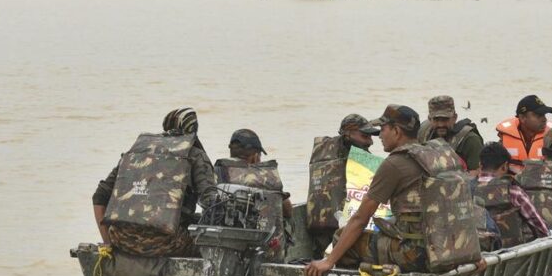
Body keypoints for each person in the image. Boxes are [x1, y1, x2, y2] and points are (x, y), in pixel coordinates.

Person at [304, 105, 480, 276]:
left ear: (396, 131)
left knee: (342, 237)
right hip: (452, 247)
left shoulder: (394, 163)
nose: (379, 136)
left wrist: (328, 261)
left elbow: (360, 218)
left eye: (383, 129)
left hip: (416, 254)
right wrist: (473, 254)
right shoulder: (437, 155)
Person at [92, 108, 217, 257]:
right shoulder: (195, 155)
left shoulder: (137, 151)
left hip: (120, 239)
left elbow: (99, 196)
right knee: (207, 241)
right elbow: (212, 204)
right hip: (166, 243)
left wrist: (108, 243)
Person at [306, 114, 380, 258]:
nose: (370, 142)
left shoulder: (323, 150)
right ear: (348, 134)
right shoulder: (362, 161)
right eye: (365, 136)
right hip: (338, 227)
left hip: (319, 222)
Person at [213, 129, 292, 261]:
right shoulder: (266, 177)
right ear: (255, 156)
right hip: (265, 254)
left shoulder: (218, 171)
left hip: (223, 252)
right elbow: (288, 211)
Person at [473, 142, 550, 248]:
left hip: (477, 253)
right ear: (505, 166)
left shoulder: (466, 190)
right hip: (510, 254)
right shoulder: (513, 191)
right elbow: (540, 227)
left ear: (480, 165)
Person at [418, 95, 484, 173]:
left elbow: (476, 173)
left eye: (445, 119)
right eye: (436, 120)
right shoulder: (423, 132)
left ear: (455, 118)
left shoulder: (470, 140)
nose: (441, 124)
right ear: (429, 119)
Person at [495, 95, 552, 173]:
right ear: (522, 118)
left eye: (544, 115)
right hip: (512, 178)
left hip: (543, 179)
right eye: (539, 115)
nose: (544, 119)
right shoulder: (503, 141)